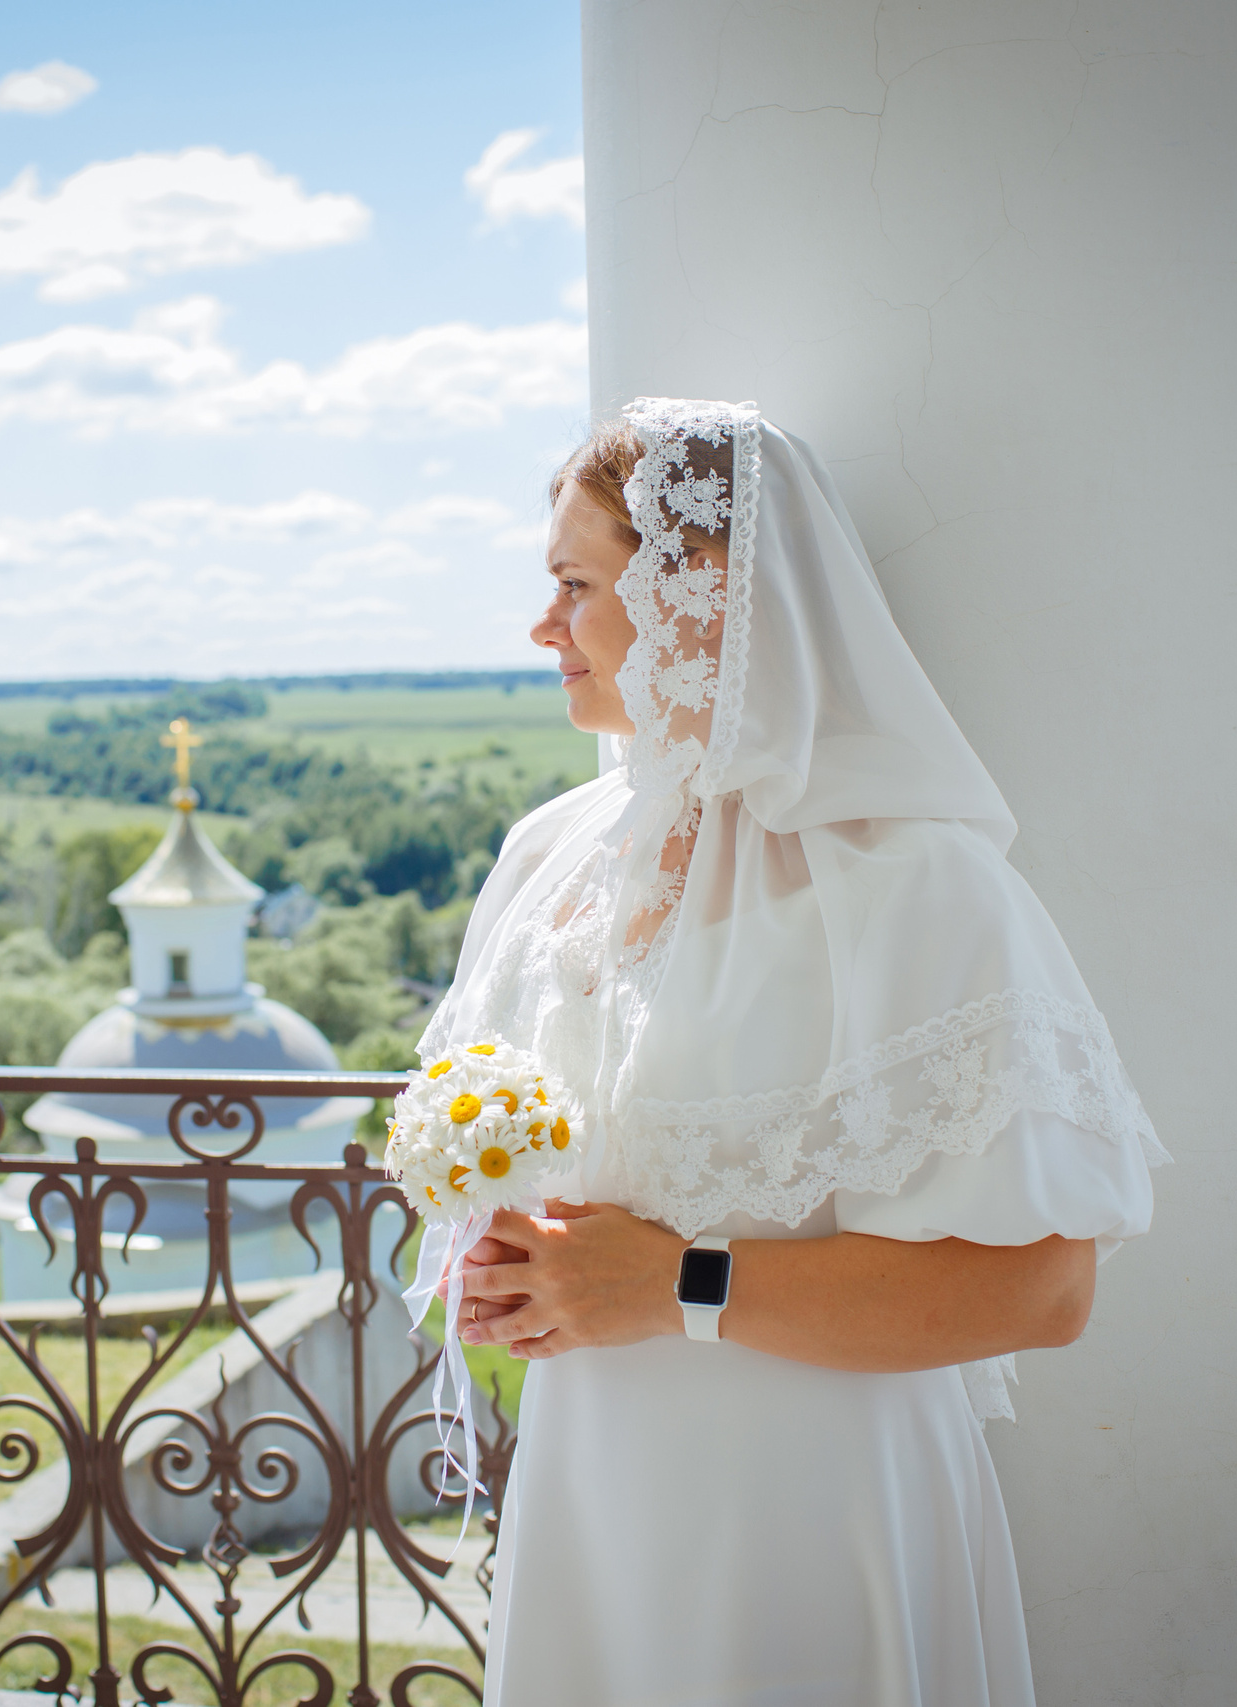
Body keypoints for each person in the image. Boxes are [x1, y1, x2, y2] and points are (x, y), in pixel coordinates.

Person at [419, 399, 1169, 1705]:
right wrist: (520, 1262)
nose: (544, 628)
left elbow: (1044, 1292)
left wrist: (678, 1284)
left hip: (817, 1513)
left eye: (576, 586)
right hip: (597, 1488)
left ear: (697, 591)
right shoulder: (551, 859)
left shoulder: (914, 886)